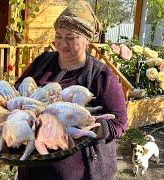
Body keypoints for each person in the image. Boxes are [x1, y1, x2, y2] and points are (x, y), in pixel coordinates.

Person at [15, 1, 128, 179]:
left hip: (79, 171)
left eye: (70, 37)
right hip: (33, 166)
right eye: (58, 36)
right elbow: (18, 89)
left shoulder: (101, 76)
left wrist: (84, 127)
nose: (62, 44)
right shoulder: (43, 62)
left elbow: (120, 123)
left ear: (86, 40)